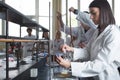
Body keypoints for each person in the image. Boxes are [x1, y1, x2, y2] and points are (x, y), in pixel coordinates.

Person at [56, 0, 120, 80]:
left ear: (104, 12)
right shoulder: (98, 31)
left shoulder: (113, 33)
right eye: (90, 14)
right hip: (94, 77)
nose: (90, 17)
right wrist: (71, 49)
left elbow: (99, 64)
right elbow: (87, 51)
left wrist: (70, 65)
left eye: (93, 13)